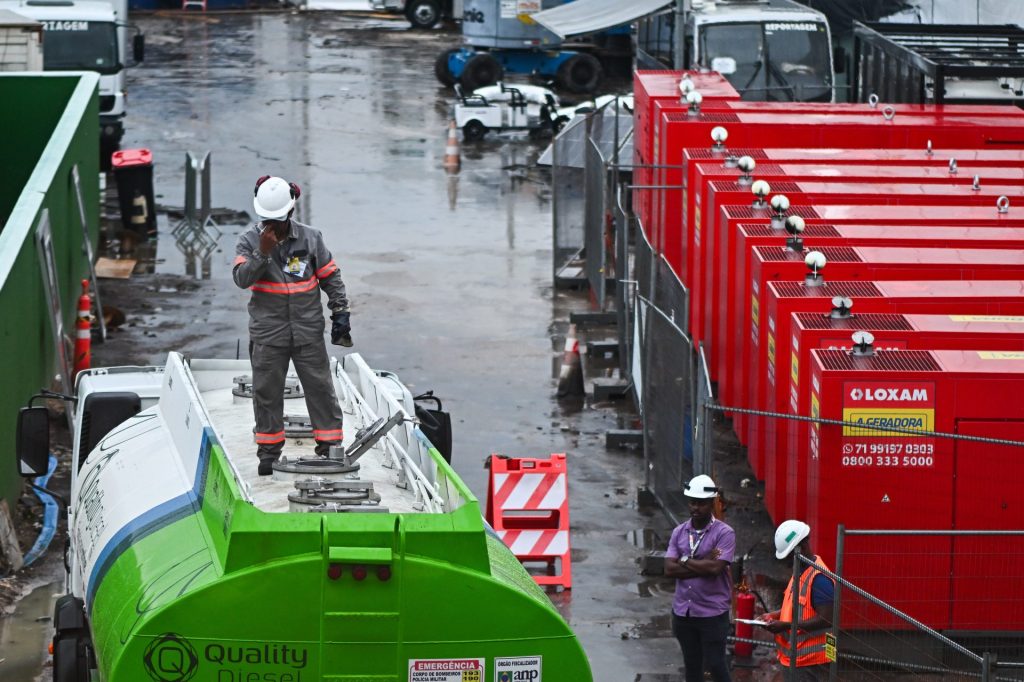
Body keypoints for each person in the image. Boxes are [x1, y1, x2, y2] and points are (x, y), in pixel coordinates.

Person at [233, 175, 353, 476]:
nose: (272, 226)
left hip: (307, 331)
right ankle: (269, 453)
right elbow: (241, 279)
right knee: (267, 393)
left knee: (321, 389)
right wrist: (263, 251)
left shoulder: (311, 238)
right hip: (268, 334)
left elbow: (330, 276)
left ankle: (329, 448)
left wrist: (340, 312)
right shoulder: (249, 240)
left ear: (290, 212)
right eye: (267, 220)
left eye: (278, 220)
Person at [664, 474, 736, 682]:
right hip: (683, 614)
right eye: (692, 503)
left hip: (712, 614)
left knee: (716, 664)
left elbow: (715, 568)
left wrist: (684, 560)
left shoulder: (724, 534)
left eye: (701, 504)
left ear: (711, 503)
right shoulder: (679, 532)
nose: (696, 508)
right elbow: (669, 569)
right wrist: (702, 564)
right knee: (692, 666)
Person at [760, 519, 835, 681]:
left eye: (788, 555)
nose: (786, 561)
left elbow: (826, 619)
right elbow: (795, 607)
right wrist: (773, 615)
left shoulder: (820, 579)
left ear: (800, 547)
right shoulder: (800, 570)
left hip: (810, 660)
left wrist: (787, 626)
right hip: (797, 657)